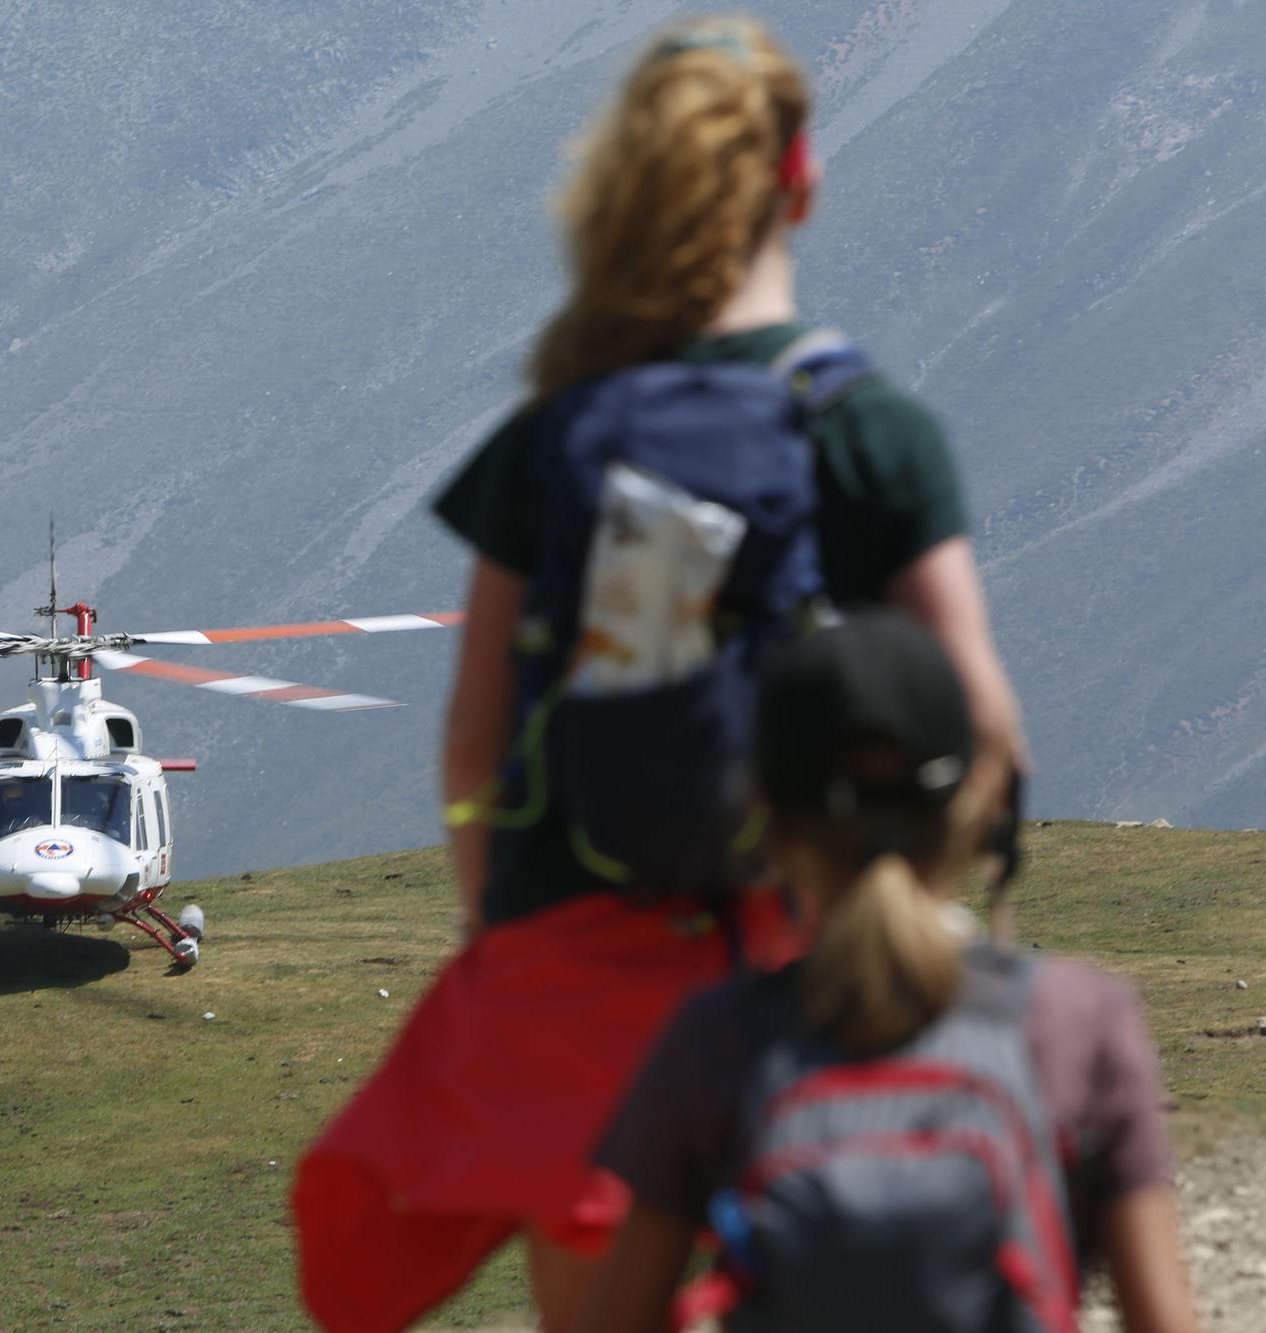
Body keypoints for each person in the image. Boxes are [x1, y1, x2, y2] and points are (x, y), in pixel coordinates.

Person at [294, 16, 1027, 1332]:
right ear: (802, 179)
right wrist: (918, 908)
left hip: (580, 986)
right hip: (820, 971)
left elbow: (474, 743)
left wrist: (506, 931)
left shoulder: (558, 434)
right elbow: (979, 721)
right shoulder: (873, 434)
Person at [580, 613, 1196, 1333]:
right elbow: (1164, 1318)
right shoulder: (1077, 1017)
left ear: (767, 815)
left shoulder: (715, 1037)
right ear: (977, 803)